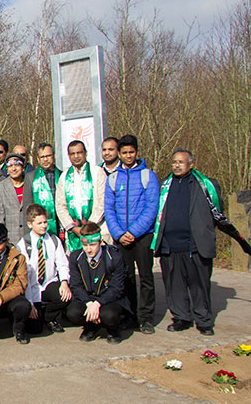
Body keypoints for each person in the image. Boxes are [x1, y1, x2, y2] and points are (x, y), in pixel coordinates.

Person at [153, 149, 221, 336]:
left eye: (181, 162)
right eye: (174, 162)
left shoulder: (206, 185)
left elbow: (217, 213)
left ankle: (204, 320)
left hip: (196, 245)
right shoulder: (164, 185)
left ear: (191, 164)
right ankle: (181, 317)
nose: (176, 165)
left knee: (199, 286)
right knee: (175, 285)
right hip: (170, 244)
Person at [104, 134, 159, 335]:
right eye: (124, 152)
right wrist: (119, 233)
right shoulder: (113, 178)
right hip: (121, 237)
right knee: (125, 278)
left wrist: (134, 232)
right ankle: (130, 316)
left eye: (131, 152)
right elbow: (109, 209)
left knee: (145, 277)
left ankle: (146, 318)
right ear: (119, 153)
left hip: (142, 236)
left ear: (137, 152)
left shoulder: (148, 176)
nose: (128, 156)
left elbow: (152, 207)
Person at [67, 223, 129, 344]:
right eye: (85, 245)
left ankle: (112, 329)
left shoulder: (114, 257)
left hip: (109, 299)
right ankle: (90, 326)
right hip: (89, 298)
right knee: (72, 312)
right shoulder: (76, 257)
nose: (88, 249)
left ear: (100, 242)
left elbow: (117, 288)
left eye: (92, 245)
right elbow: (76, 285)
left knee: (109, 315)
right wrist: (89, 303)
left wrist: (98, 303)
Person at [16, 205, 71, 336]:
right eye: (39, 223)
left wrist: (64, 282)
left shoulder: (53, 240)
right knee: (34, 329)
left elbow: (62, 264)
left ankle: (49, 317)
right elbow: (25, 276)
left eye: (45, 222)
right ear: (30, 224)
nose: (44, 226)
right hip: (32, 287)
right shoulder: (23, 244)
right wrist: (30, 304)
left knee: (65, 296)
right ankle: (39, 313)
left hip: (49, 283)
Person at [55, 140, 108, 251]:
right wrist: (73, 228)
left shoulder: (97, 172)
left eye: (79, 152)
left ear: (86, 153)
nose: (76, 156)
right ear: (68, 156)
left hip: (97, 229)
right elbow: (60, 205)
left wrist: (89, 226)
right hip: (74, 232)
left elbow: (103, 202)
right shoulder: (64, 177)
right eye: (73, 154)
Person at [23, 143, 62, 237]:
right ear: (38, 158)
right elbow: (27, 206)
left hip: (60, 225)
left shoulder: (62, 176)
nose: (45, 159)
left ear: (54, 155)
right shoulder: (30, 177)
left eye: (48, 156)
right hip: (40, 227)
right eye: (42, 157)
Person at [0, 153, 29, 244]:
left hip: (29, 235)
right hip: (11, 238)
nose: (13, 169)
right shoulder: (0, 187)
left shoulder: (30, 183)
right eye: (10, 166)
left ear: (23, 167)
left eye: (17, 165)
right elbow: (0, 216)